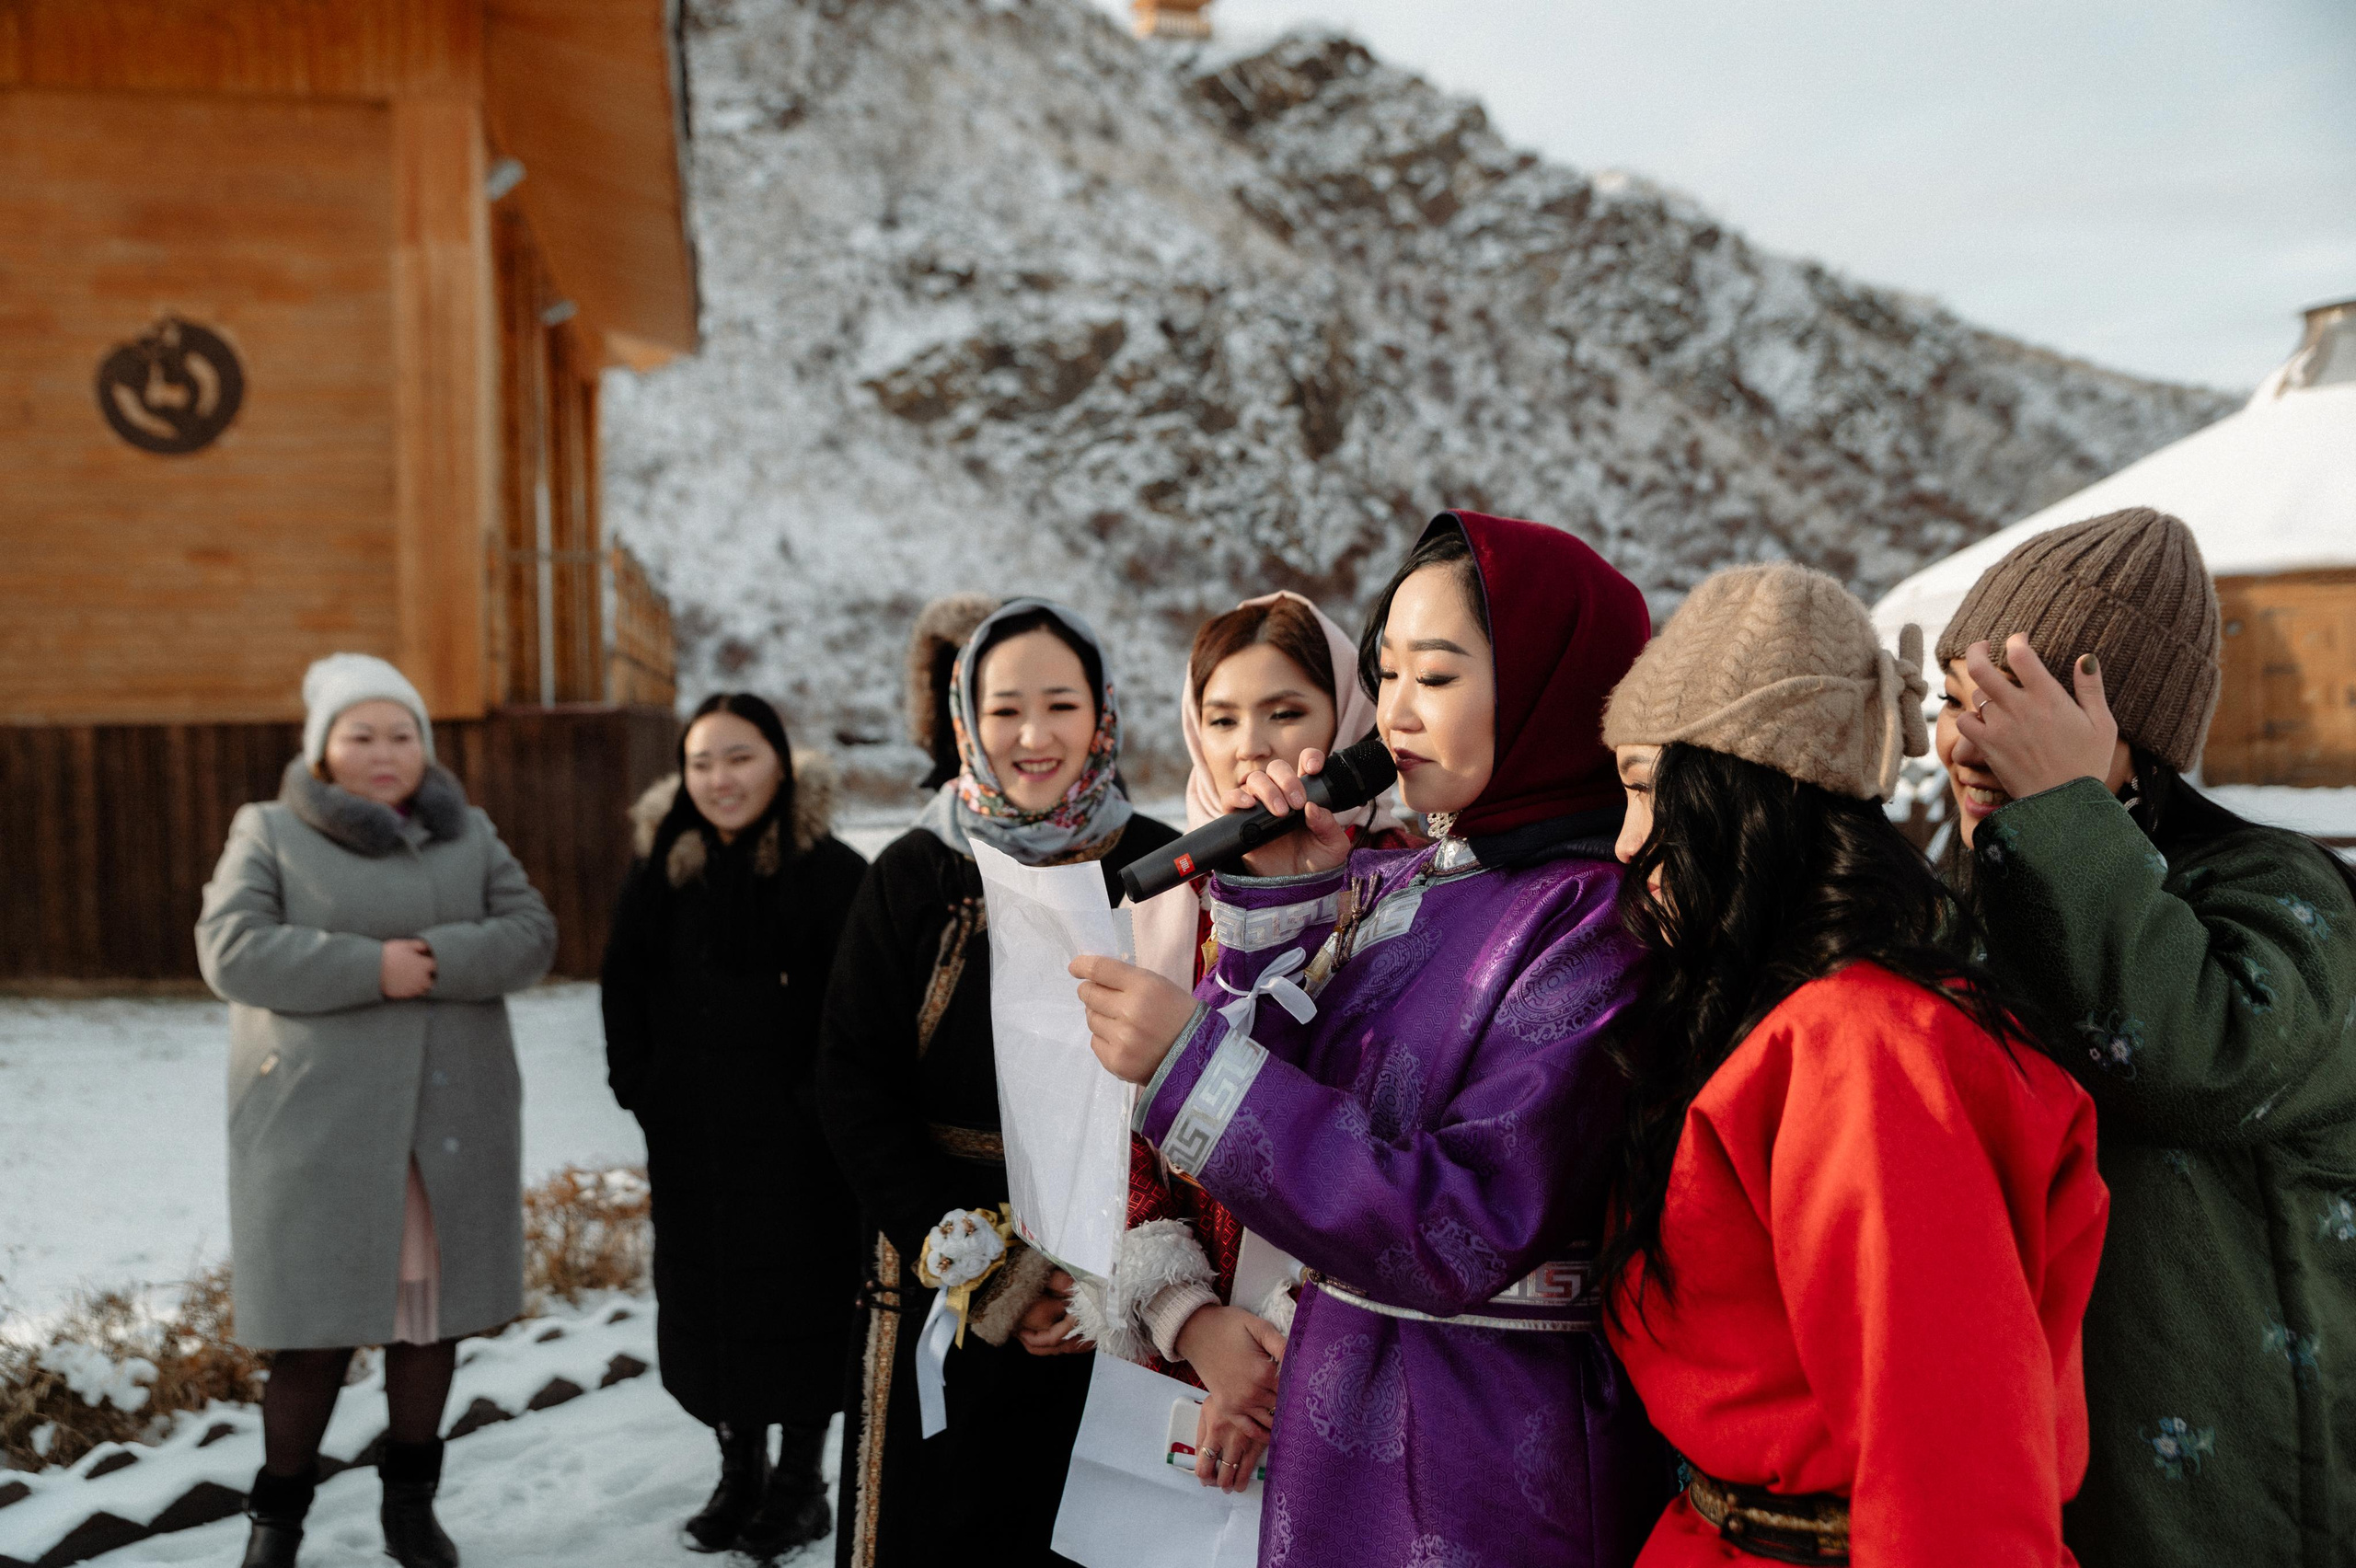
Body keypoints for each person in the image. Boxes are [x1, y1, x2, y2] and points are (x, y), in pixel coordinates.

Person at [1074, 513, 1671, 1567]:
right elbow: (1297, 1129)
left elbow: (1464, 1217)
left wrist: (1189, 1065)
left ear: (1549, 682)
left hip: (1477, 1450)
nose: (1394, 712)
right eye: (1384, 672)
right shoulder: (1403, 881)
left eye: (1434, 678)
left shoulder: (1592, 923)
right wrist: (1285, 907)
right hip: (1335, 1414)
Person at [1593, 561, 2109, 1566]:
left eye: (1649, 792)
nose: (1624, 847)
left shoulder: (1863, 1057)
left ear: (1743, 798)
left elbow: (1955, 1478)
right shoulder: (1771, 1023)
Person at [1931, 506, 2356, 1568]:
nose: (1967, 738)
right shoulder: (1976, 892)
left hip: (2231, 1483)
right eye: (1952, 700)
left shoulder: (2280, 890)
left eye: (2014, 704)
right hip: (2037, 1458)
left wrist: (2065, 807)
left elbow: (2199, 1059)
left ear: (2133, 738)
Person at [818, 597, 1181, 1568]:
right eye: (1004, 708)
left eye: (1060, 704)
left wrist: (1107, 1273)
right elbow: (853, 1089)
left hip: (1123, 1279)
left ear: (1102, 714)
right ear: (963, 720)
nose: (1032, 736)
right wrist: (994, 1278)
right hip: (945, 1272)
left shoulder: (1155, 862)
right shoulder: (914, 873)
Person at [196, 653, 557, 1568]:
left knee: (427, 1327)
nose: (384, 751)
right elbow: (232, 949)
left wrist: (430, 956)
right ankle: (277, 1523)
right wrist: (371, 969)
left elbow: (531, 935)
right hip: (322, 1133)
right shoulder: (271, 830)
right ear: (324, 751)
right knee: (311, 1339)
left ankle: (410, 1508)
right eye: (361, 734)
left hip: (442, 1132)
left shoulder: (467, 833)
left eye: (403, 734)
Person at [1101, 592, 1417, 1495]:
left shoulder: (1414, 882)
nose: (1253, 746)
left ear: (1347, 718)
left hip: (1358, 1359)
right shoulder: (1168, 896)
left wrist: (1278, 1350)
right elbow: (1114, 1137)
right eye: (1223, 717)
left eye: (1287, 713)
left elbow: (1401, 1135)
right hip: (1188, 1365)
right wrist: (1188, 1322)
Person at [600, 694, 870, 1560]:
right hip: (692, 1145)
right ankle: (739, 1469)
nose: (721, 779)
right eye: (702, 761)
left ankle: (801, 1483)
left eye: (740, 757)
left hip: (798, 1157)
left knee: (799, 1311)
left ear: (781, 764)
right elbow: (623, 986)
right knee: (710, 1308)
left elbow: (855, 1015)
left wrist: (806, 1111)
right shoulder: (663, 872)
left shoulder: (831, 874)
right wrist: (640, 1084)